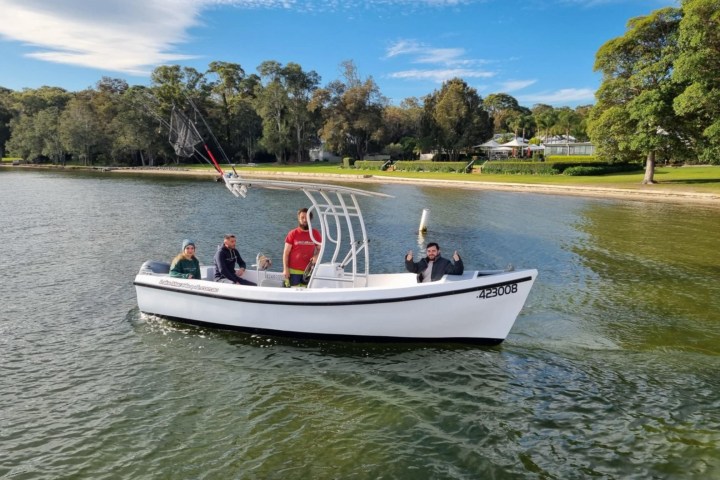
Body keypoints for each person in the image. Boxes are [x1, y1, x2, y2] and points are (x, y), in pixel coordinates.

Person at [283, 207, 322, 286]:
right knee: (292, 296)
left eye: (307, 217)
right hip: (293, 272)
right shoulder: (293, 233)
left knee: (306, 296)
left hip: (308, 272)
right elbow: (286, 253)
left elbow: (321, 249)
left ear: (310, 219)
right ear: (298, 218)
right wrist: (285, 269)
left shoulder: (315, 233)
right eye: (302, 217)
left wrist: (317, 256)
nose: (304, 220)